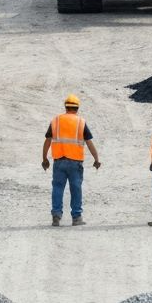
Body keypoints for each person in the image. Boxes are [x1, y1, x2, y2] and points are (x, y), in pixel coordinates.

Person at [42, 94, 100, 227]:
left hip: (59, 161)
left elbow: (47, 141)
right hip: (75, 162)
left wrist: (44, 158)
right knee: (76, 189)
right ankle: (76, 217)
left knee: (57, 188)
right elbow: (89, 142)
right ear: (77, 108)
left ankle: (56, 215)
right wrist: (96, 159)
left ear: (65, 107)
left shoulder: (56, 120)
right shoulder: (81, 122)